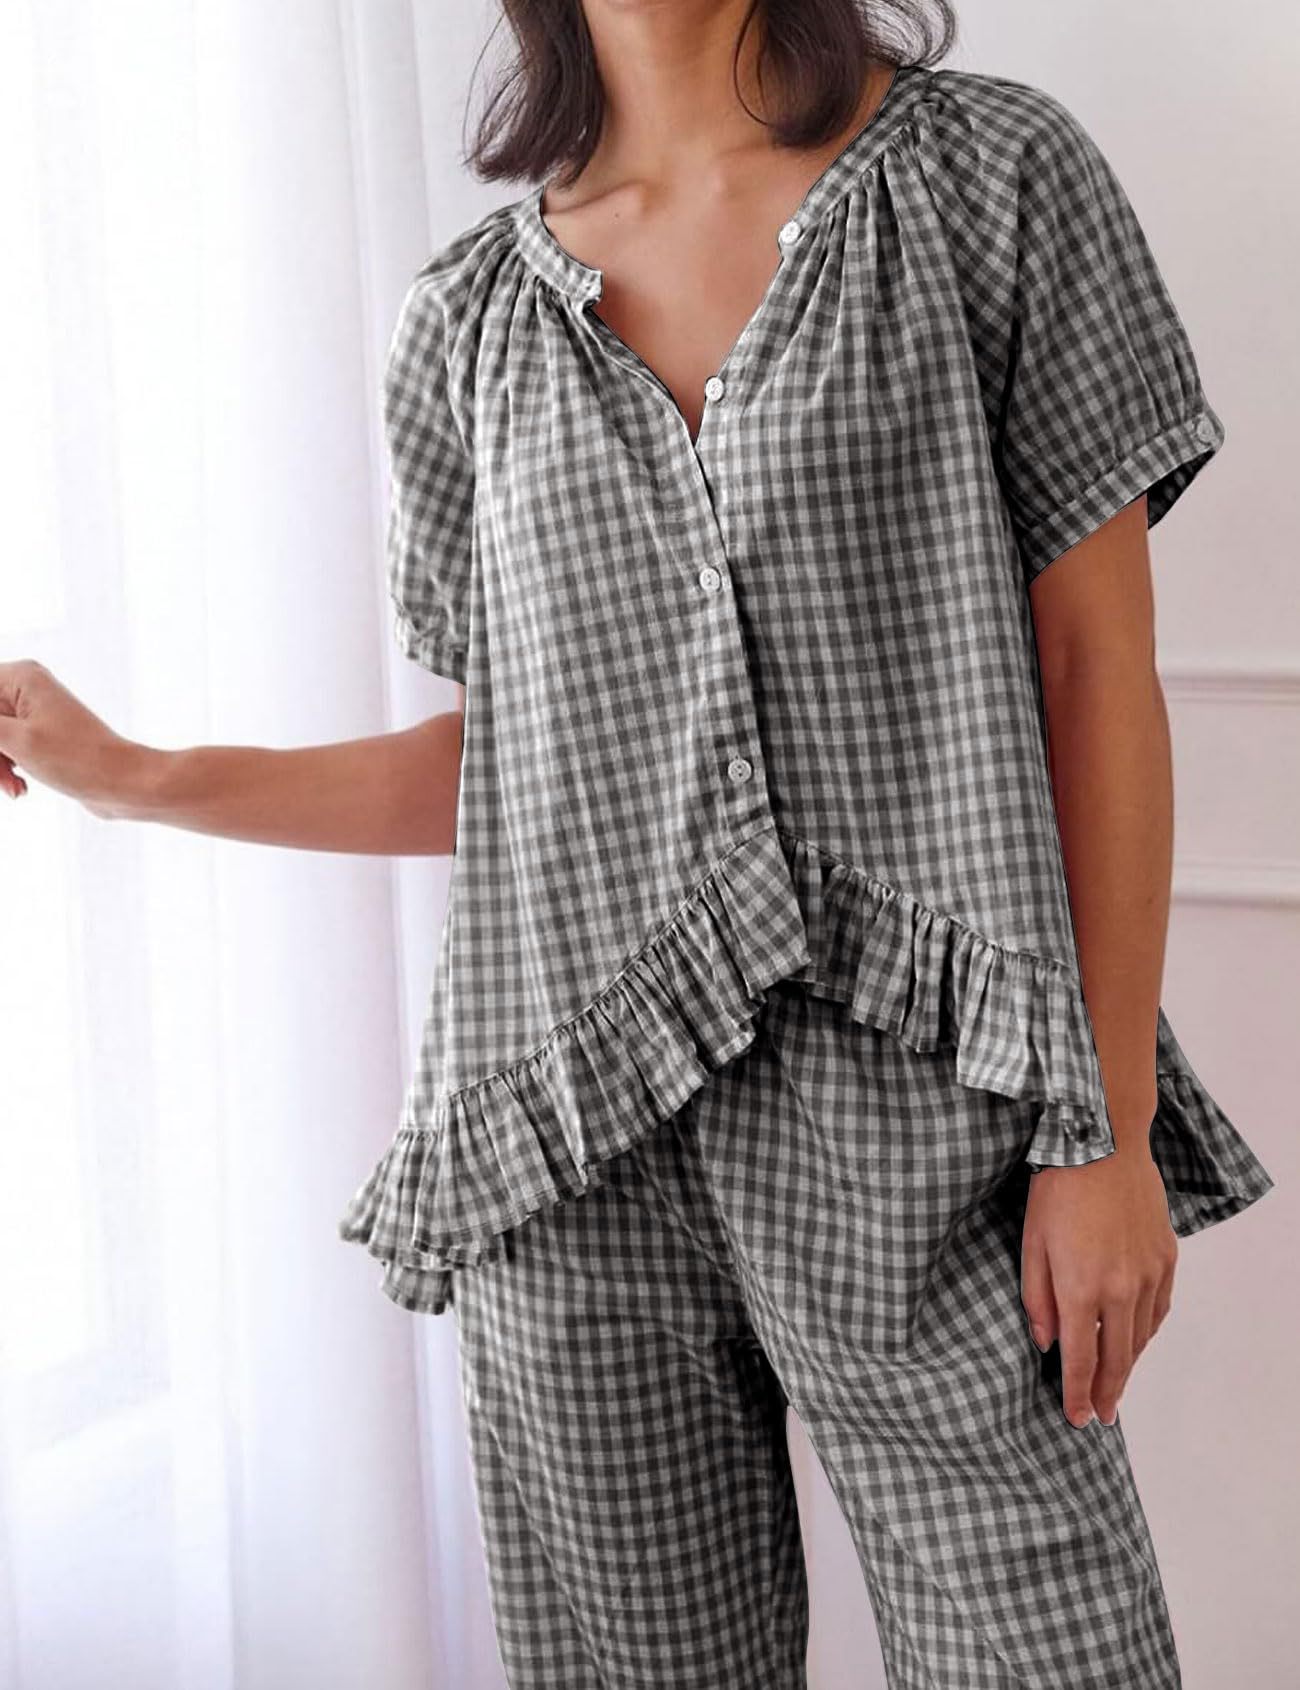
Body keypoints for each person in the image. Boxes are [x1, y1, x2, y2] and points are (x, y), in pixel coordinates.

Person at [0, 3, 1276, 1684]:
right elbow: (519, 773)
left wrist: (1099, 1130)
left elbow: (1094, 668)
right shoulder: (466, 323)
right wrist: (135, 776)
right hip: (569, 1153)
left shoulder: (991, 181)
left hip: (923, 1131)